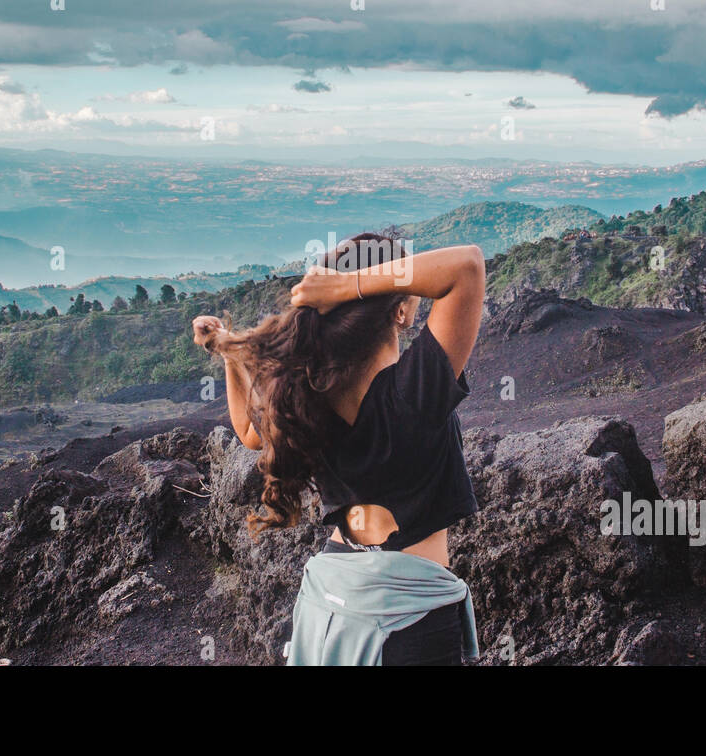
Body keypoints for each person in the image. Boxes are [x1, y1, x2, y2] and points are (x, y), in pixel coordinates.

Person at [191, 233, 486, 665]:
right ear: (401, 311)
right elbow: (467, 267)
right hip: (407, 615)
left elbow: (248, 433)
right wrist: (352, 285)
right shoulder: (415, 392)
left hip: (327, 601)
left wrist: (228, 351)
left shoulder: (307, 398)